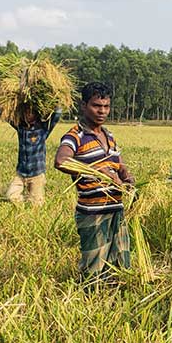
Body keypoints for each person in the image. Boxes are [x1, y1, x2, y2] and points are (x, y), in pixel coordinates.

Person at [54, 82, 135, 282]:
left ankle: (113, 303)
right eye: (96, 106)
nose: (102, 111)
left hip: (117, 209)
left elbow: (119, 164)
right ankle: (89, 300)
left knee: (119, 265)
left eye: (106, 106)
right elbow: (61, 160)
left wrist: (127, 177)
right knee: (94, 269)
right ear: (84, 106)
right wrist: (97, 170)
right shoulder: (75, 136)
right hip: (93, 212)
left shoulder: (109, 136)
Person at [5, 105, 61, 206]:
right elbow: (7, 116)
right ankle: (25, 201)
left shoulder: (42, 129)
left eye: (31, 112)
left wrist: (57, 103)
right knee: (11, 196)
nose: (28, 115)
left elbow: (56, 116)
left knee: (36, 205)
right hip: (21, 173)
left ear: (36, 114)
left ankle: (31, 201)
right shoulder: (21, 128)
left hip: (37, 175)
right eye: (26, 112)